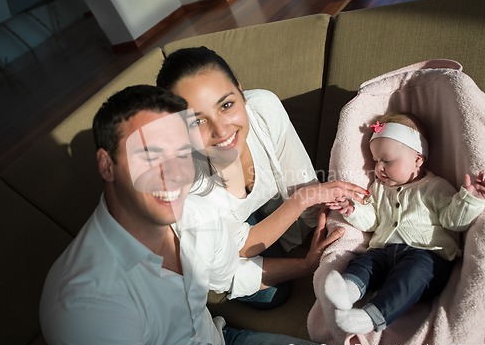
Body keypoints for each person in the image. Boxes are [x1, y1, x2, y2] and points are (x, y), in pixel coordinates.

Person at [39, 85, 348, 345]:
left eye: (180, 154)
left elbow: (229, 275)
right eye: (150, 156)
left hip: (224, 344)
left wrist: (305, 265)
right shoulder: (85, 304)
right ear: (107, 166)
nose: (173, 174)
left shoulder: (195, 213)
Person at [156, 46, 368, 307]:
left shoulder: (263, 109)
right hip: (201, 248)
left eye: (226, 104)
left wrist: (327, 226)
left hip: (247, 223)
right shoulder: (186, 184)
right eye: (197, 121)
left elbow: (303, 184)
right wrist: (305, 262)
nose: (221, 130)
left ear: (241, 93)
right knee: (271, 295)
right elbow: (237, 249)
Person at [325, 112, 485, 334]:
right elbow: (372, 222)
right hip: (383, 253)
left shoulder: (435, 187)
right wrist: (353, 210)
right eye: (376, 161)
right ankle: (348, 290)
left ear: (418, 158)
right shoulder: (378, 189)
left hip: (425, 257)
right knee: (364, 262)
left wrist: (471, 199)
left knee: (412, 274)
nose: (379, 168)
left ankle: (373, 315)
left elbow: (453, 221)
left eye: (387, 161)